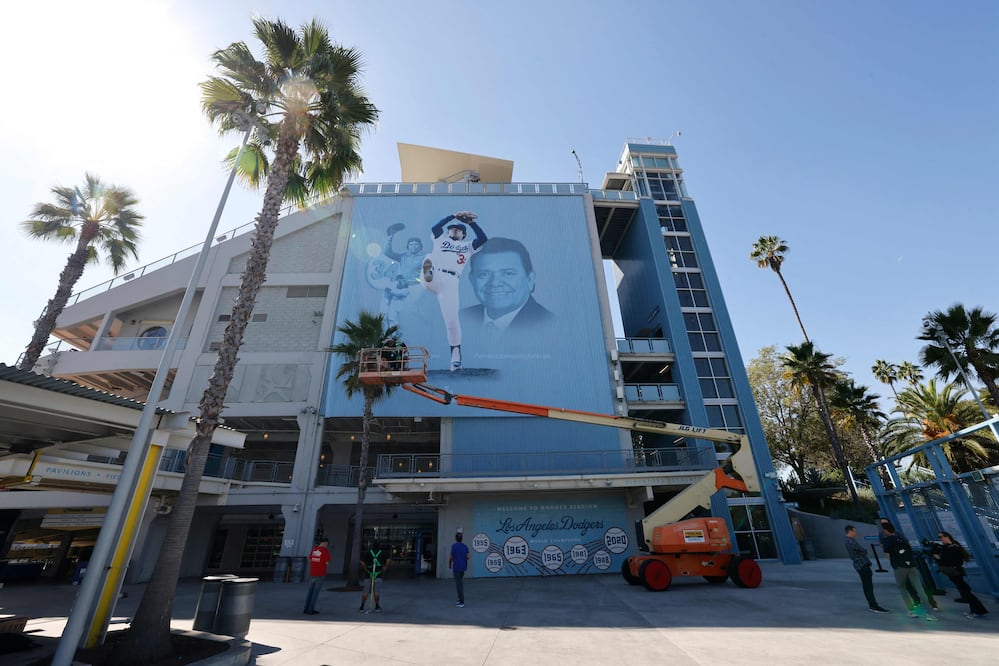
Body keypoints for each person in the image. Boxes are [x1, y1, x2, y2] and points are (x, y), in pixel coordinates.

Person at [419, 211, 488, 371]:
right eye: (452, 229)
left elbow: (483, 239)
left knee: (451, 321)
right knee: (429, 257)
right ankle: (427, 275)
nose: (454, 230)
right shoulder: (440, 239)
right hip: (435, 275)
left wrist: (471, 223)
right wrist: (453, 215)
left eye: (458, 229)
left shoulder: (468, 246)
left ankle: (455, 357)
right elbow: (435, 227)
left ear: (463, 234)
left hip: (451, 282)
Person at [460, 237, 554, 332]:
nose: (495, 283)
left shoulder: (550, 325)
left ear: (530, 280)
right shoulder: (460, 318)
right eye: (484, 274)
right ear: (472, 280)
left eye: (508, 274)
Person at [878, 518, 937, 610]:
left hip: (905, 562)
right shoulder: (882, 535)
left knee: (918, 584)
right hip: (900, 563)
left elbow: (906, 544)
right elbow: (885, 549)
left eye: (885, 523)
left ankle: (931, 602)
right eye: (882, 524)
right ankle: (917, 601)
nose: (883, 525)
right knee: (908, 584)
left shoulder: (897, 533)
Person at [934, 531, 989, 618]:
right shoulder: (949, 547)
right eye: (939, 537)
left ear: (947, 537)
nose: (940, 539)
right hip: (955, 573)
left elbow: (950, 561)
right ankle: (976, 611)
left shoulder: (953, 548)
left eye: (941, 537)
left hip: (956, 572)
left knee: (966, 592)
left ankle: (978, 611)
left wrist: (939, 558)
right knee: (966, 592)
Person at [844, 525, 890, 613]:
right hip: (862, 565)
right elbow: (862, 550)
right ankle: (873, 605)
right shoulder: (850, 541)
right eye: (854, 531)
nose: (856, 533)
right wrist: (863, 551)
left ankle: (872, 604)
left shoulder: (849, 541)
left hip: (860, 565)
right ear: (850, 531)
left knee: (867, 586)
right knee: (868, 586)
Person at [360, 540, 391, 613]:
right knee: (376, 592)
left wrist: (365, 569)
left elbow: (362, 561)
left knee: (365, 592)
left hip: (369, 574)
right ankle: (377, 606)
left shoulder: (369, 553)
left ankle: (362, 606)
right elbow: (389, 560)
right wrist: (385, 567)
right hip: (378, 574)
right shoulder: (383, 553)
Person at [303, 537, 330, 615]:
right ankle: (311, 609)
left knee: (310, 592)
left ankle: (306, 608)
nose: (326, 546)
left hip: (312, 573)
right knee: (315, 593)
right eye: (326, 544)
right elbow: (327, 562)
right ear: (325, 543)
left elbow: (310, 559)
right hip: (320, 574)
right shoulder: (325, 551)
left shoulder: (314, 549)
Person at [449, 530, 470, 607]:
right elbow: (468, 557)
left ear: (455, 538)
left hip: (456, 567)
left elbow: (451, 557)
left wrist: (449, 563)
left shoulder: (454, 546)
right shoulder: (465, 546)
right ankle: (459, 599)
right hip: (463, 567)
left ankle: (462, 602)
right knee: (459, 583)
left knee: (459, 585)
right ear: (462, 538)